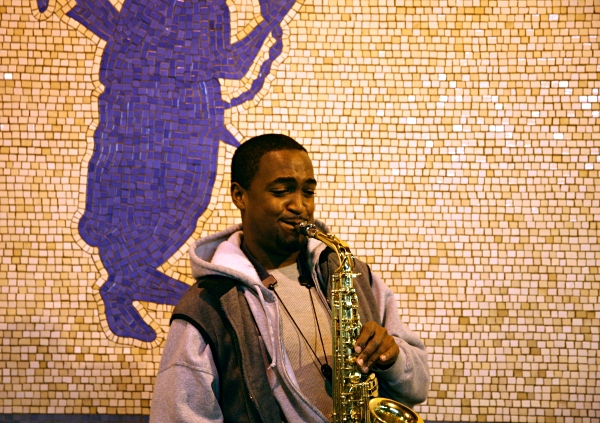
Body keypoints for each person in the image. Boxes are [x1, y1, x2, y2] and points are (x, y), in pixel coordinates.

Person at [149, 134, 429, 422]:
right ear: (239, 195)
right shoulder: (206, 306)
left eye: (308, 192)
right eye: (282, 190)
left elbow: (418, 386)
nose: (299, 205)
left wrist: (393, 359)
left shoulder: (356, 277)